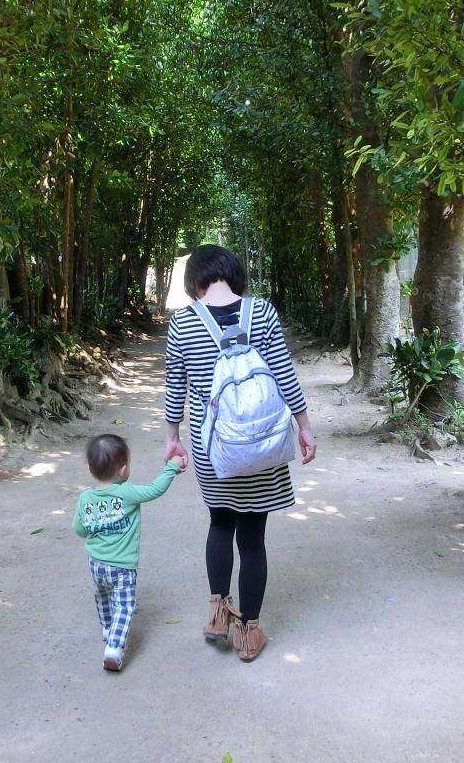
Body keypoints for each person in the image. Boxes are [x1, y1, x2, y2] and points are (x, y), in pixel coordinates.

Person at [163, 244, 317, 663]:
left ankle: (217, 615)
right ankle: (249, 632)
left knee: (219, 523)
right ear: (234, 273)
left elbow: (175, 387)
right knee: (252, 539)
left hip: (213, 446)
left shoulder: (182, 323)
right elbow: (284, 374)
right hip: (262, 443)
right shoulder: (262, 312)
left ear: (194, 281)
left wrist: (172, 437)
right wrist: (304, 428)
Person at [72, 433, 183, 672]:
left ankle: (108, 628)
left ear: (92, 469)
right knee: (124, 605)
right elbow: (155, 489)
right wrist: (172, 467)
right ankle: (113, 648)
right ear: (123, 469)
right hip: (122, 566)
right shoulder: (126, 493)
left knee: (102, 595)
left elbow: (79, 530)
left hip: (96, 563)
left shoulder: (85, 498)